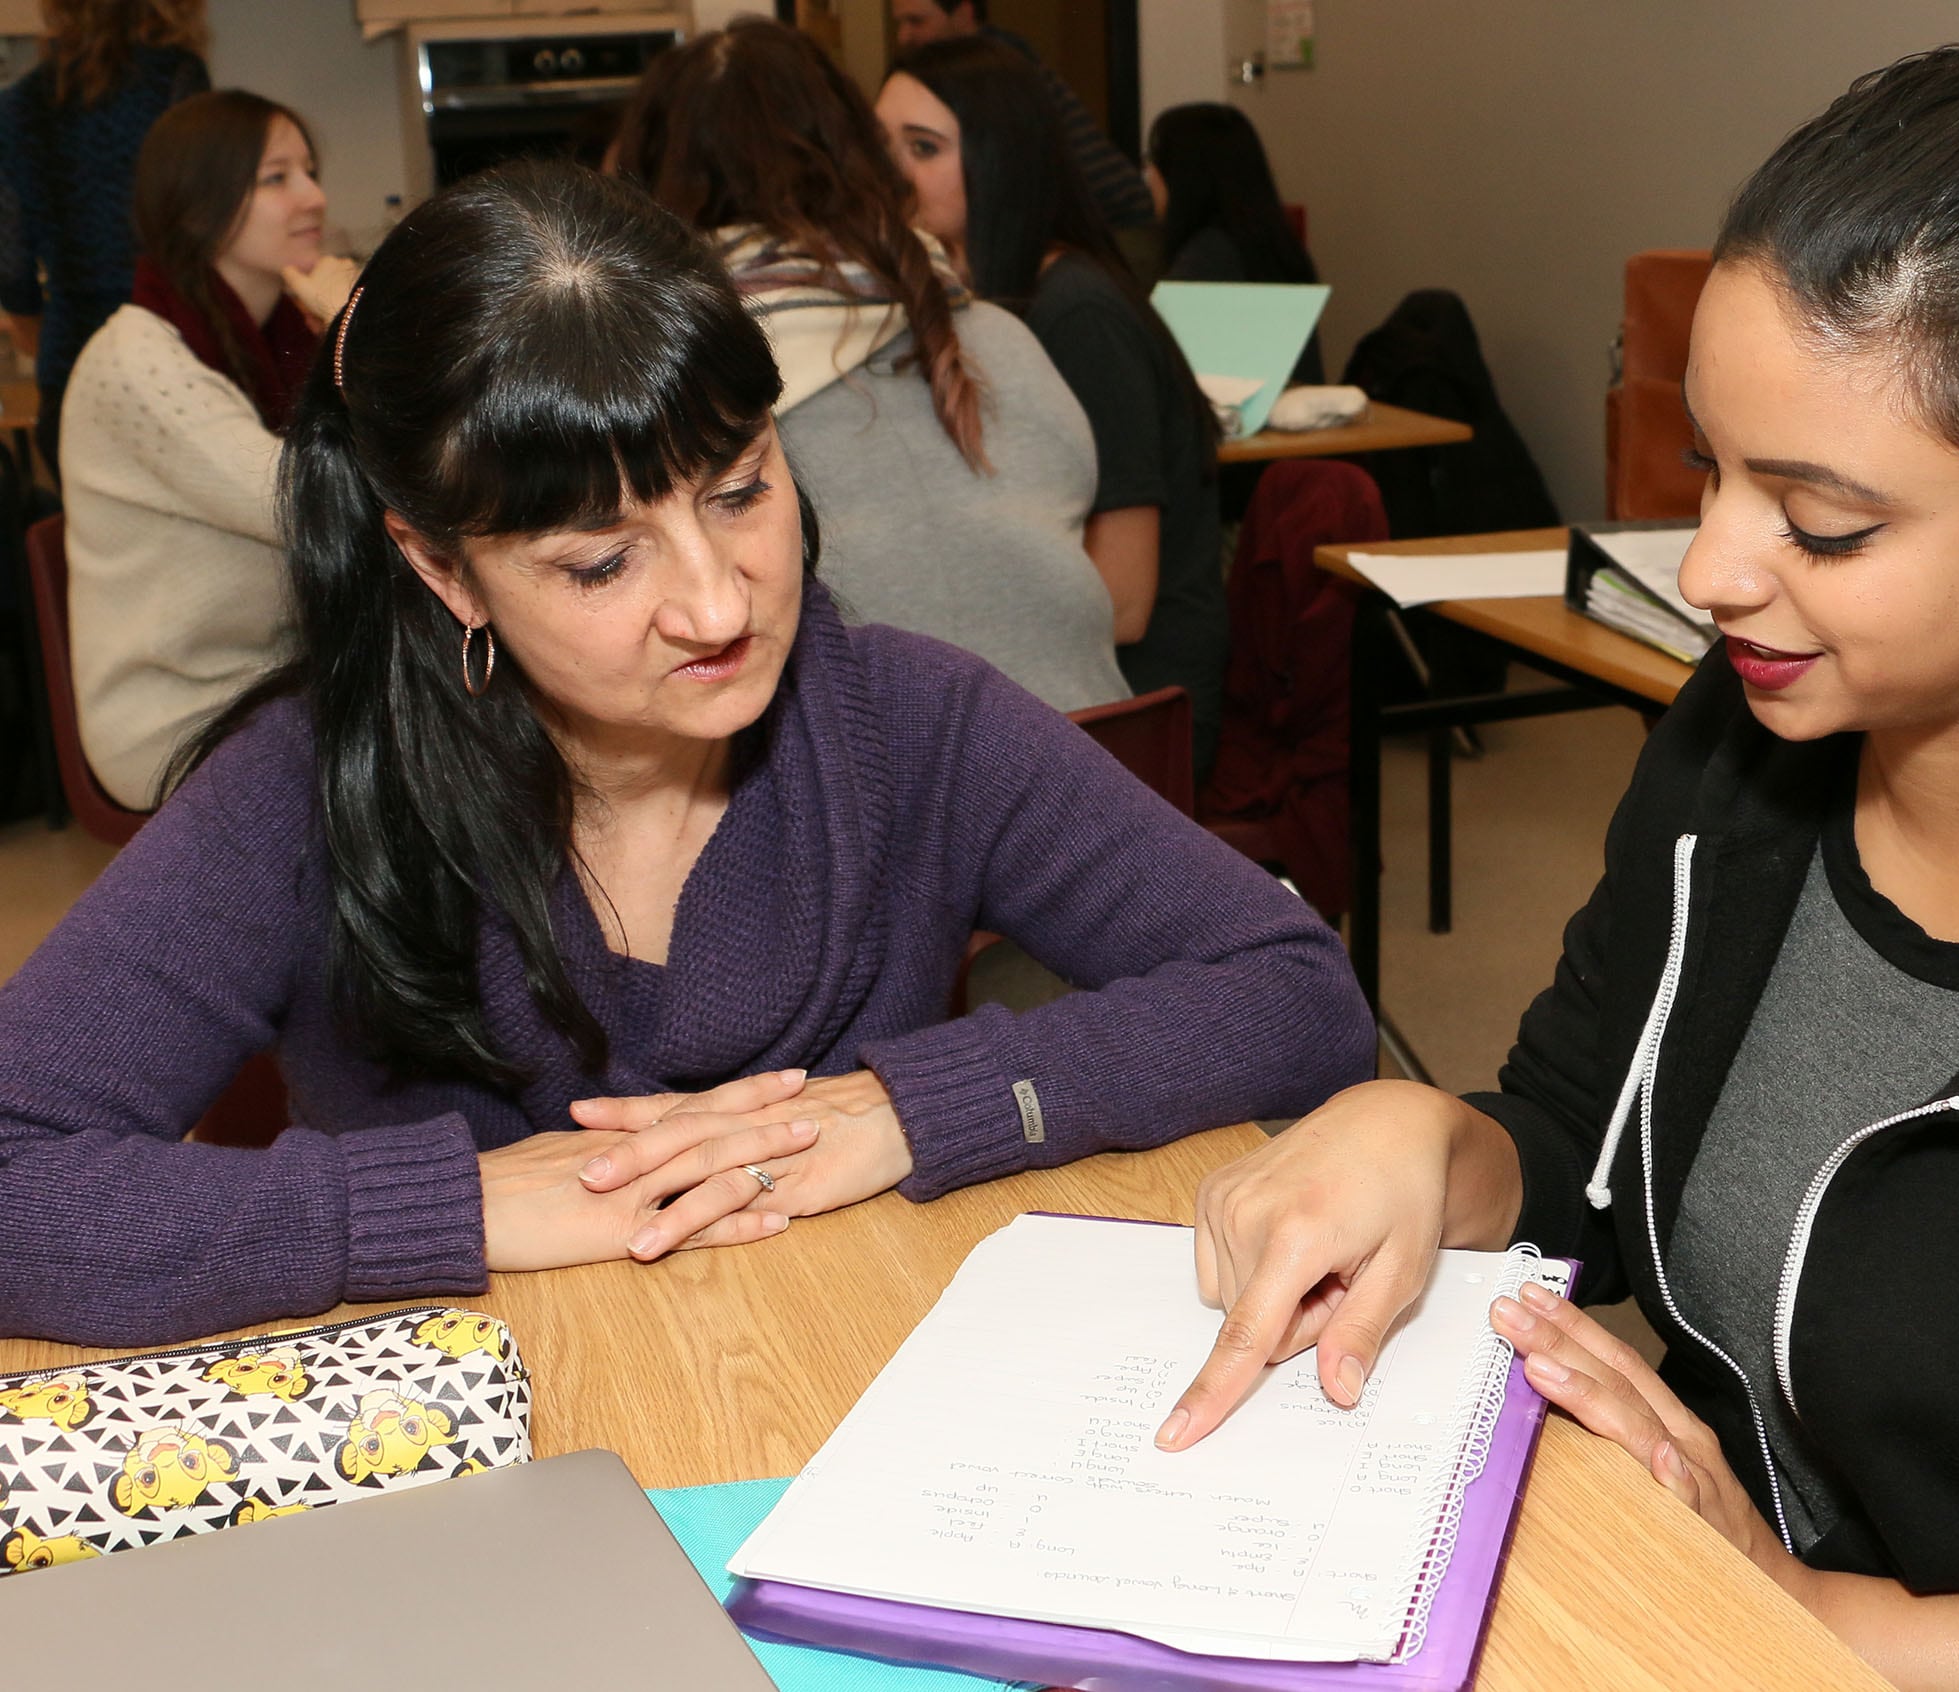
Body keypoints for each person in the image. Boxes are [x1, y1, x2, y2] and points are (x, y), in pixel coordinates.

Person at [1162, 11, 1959, 1689]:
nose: (1706, 571)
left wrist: (1801, 1613)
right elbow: (1584, 1129)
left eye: (1816, 521)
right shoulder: (1746, 741)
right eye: (1707, 470)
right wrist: (1435, 1142)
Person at [0, 160, 1372, 1351]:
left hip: (859, 1404)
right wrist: (455, 1205)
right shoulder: (302, 789)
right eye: (601, 561)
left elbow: (1295, 992)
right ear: (441, 568)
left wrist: (910, 1108)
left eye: (743, 491)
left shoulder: (915, 721)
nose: (721, 604)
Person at [614, 19, 1128, 715]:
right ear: (861, 152)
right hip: (1110, 772)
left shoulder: (696, 385)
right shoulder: (1003, 337)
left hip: (913, 796)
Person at [883, 40, 1227, 777]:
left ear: (1002, 160)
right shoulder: (968, 306)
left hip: (1131, 709)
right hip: (1051, 684)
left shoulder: (1076, 315)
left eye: (924, 147)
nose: (892, 174)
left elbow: (1126, 600)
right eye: (879, 146)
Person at [59, 89, 357, 809]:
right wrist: (361, 328)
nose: (313, 196)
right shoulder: (138, 362)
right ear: (199, 207)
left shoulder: (281, 334)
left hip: (275, 681)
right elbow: (307, 502)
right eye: (277, 178)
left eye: (310, 171)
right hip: (178, 714)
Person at [0, 0, 208, 477]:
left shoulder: (21, 103)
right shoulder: (176, 78)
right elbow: (198, 226)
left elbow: (11, 266)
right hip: (168, 353)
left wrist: (36, 326)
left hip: (72, 362)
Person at [885, 0, 1155, 242]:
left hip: (1115, 229)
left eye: (917, 21)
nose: (904, 36)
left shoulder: (997, 76)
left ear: (964, 15)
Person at [1144, 101, 1323, 385]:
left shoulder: (1208, 258)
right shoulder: (1274, 244)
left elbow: (1157, 373)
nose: (1148, 175)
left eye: (1155, 161)